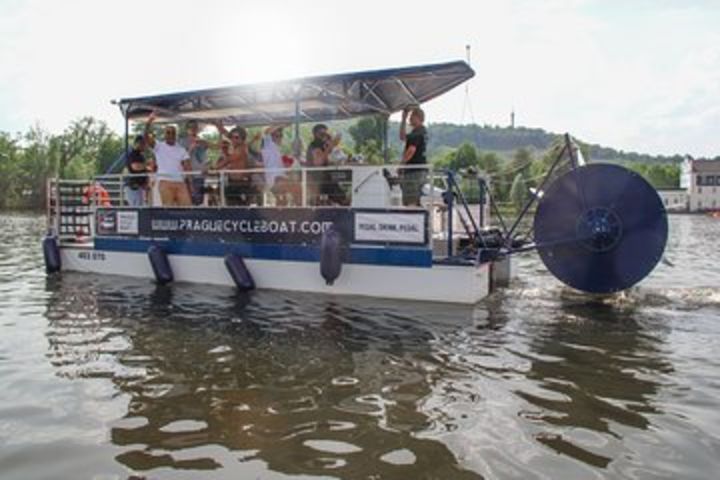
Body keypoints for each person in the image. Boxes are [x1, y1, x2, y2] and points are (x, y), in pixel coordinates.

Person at [144, 111, 192, 206]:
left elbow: (188, 167)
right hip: (164, 180)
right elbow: (146, 137)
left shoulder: (181, 149)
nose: (170, 134)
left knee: (187, 208)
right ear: (164, 134)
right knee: (168, 208)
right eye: (168, 132)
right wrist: (149, 122)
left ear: (176, 135)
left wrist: (191, 183)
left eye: (173, 132)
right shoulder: (158, 146)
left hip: (180, 181)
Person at [215, 126, 259, 205]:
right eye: (232, 137)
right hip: (234, 182)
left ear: (242, 139)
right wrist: (219, 126)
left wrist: (213, 168)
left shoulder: (241, 149)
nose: (233, 139)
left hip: (241, 183)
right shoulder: (238, 147)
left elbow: (228, 160)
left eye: (236, 137)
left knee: (238, 208)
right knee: (232, 206)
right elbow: (227, 134)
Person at [306, 124, 346, 205]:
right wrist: (330, 146)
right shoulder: (315, 145)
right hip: (319, 178)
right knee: (342, 198)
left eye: (326, 134)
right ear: (315, 134)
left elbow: (327, 160)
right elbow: (318, 162)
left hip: (325, 177)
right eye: (322, 134)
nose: (325, 136)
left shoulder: (321, 145)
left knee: (342, 179)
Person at [261, 126, 301, 206]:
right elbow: (266, 132)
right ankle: (300, 209)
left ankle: (284, 214)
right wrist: (282, 124)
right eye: (277, 136)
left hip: (278, 177)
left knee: (283, 200)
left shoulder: (276, 149)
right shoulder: (268, 145)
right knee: (298, 189)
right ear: (271, 137)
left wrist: (286, 165)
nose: (279, 138)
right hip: (275, 178)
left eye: (281, 135)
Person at [399, 106, 428, 206]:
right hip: (419, 170)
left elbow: (411, 150)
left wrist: (401, 164)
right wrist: (403, 119)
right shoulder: (420, 132)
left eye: (412, 116)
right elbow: (402, 137)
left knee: (411, 200)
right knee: (415, 199)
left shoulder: (418, 133)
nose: (410, 119)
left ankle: (411, 218)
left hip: (414, 171)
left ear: (418, 117)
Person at [179, 120, 210, 206]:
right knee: (190, 201)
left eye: (195, 127)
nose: (193, 129)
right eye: (191, 127)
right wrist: (191, 148)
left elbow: (205, 156)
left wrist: (206, 167)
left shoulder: (202, 141)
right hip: (190, 176)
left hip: (201, 175)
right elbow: (181, 159)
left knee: (199, 201)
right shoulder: (182, 141)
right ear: (187, 129)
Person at [124, 135, 149, 206]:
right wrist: (147, 166)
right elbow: (135, 167)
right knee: (135, 208)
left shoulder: (141, 155)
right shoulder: (133, 154)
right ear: (138, 143)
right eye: (143, 144)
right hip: (133, 187)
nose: (145, 146)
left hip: (140, 188)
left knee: (141, 207)